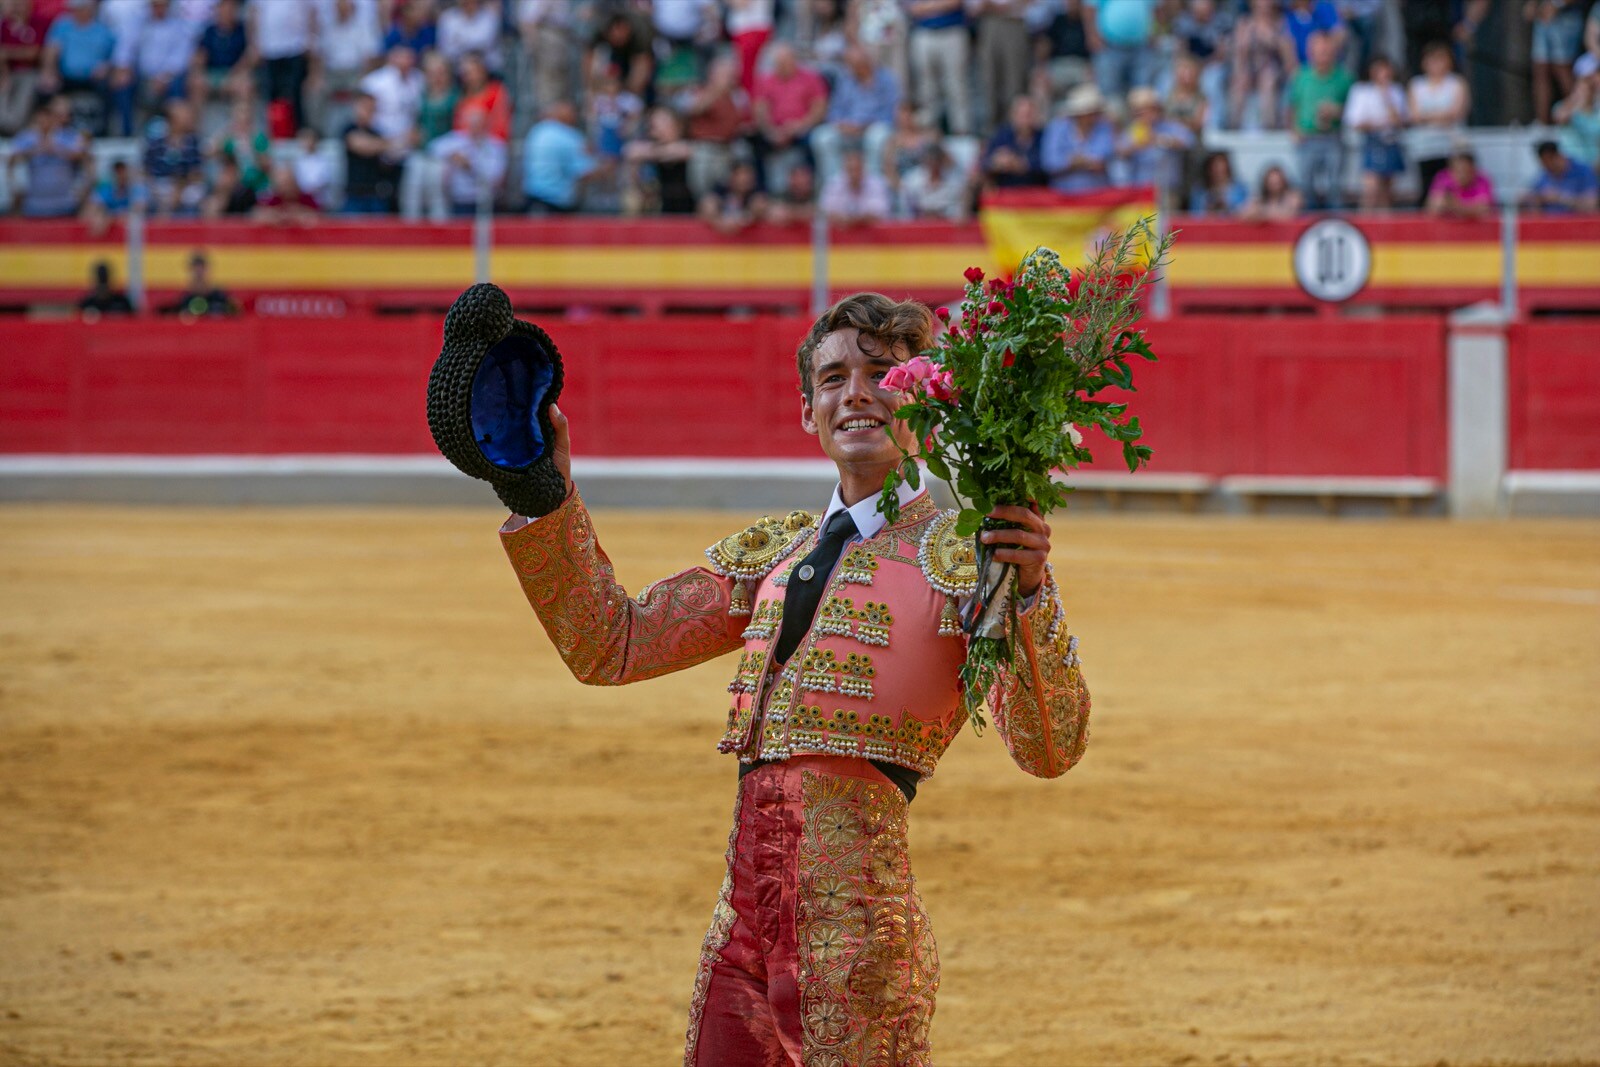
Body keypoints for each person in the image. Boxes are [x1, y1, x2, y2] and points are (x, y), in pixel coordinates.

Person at [496, 293, 1089, 1063]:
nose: (857, 393)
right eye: (834, 377)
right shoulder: (774, 553)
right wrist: (542, 495)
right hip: (742, 916)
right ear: (807, 410)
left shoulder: (968, 556)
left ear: (929, 404)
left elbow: (1050, 746)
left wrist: (1031, 594)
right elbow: (612, 642)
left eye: (883, 373)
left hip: (858, 928)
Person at [811, 44, 899, 188]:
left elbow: (891, 113)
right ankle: (835, 188)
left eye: (859, 64)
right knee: (822, 137)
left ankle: (873, 188)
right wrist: (842, 124)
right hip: (848, 130)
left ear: (868, 61)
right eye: (852, 65)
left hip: (873, 128)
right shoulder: (845, 80)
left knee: (876, 138)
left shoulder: (887, 80)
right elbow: (834, 110)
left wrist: (865, 125)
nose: (855, 69)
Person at [749, 42, 828, 194]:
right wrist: (771, 131)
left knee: (815, 141)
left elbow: (819, 108)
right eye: (778, 63)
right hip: (774, 130)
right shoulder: (766, 80)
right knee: (754, 145)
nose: (781, 66)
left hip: (803, 129)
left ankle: (812, 190)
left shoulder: (811, 78)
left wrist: (800, 126)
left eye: (785, 62)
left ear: (794, 60)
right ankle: (762, 192)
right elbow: (760, 109)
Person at [109, 0, 196, 137]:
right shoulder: (138, 23)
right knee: (122, 84)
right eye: (155, 5)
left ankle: (178, 134)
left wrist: (163, 77)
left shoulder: (179, 26)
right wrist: (123, 68)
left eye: (162, 5)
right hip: (142, 76)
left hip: (169, 77)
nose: (158, 9)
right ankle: (127, 133)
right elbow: (125, 48)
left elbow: (181, 58)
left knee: (180, 86)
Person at [1287, 31, 1352, 210]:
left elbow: (1354, 111)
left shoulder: (1345, 78)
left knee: (1335, 186)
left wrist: (1338, 111)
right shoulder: (1301, 77)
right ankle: (1309, 223)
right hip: (1307, 137)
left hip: (1332, 136)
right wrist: (1294, 129)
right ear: (1310, 51)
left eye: (1326, 49)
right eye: (1319, 49)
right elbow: (1292, 106)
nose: (1323, 53)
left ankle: (1337, 222)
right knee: (1305, 184)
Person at [1407, 40, 1469, 208]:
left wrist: (1427, 117)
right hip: (1425, 147)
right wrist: (1442, 116)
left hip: (1449, 145)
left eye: (1441, 59)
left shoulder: (1457, 83)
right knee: (1426, 188)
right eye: (1432, 60)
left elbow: (1456, 113)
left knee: (1451, 187)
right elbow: (1414, 116)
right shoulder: (1417, 84)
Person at [38, 0, 117, 132]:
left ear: (88, 9)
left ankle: (103, 131)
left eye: (80, 9)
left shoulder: (102, 29)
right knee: (44, 89)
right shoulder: (62, 25)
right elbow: (51, 50)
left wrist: (106, 67)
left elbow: (114, 56)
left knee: (112, 88)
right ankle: (46, 129)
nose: (75, 12)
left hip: (93, 78)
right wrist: (49, 72)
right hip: (65, 76)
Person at [6, 95, 88, 217]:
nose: (44, 122)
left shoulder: (70, 136)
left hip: (65, 204)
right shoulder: (27, 138)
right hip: (34, 206)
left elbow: (83, 156)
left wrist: (57, 150)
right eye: (41, 119)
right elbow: (11, 160)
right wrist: (34, 151)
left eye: (48, 118)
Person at [1343, 55, 1407, 211]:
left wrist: (1386, 97)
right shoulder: (1361, 91)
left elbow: (1400, 121)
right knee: (1370, 189)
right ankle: (1365, 223)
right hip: (1371, 141)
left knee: (1387, 191)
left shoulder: (1396, 91)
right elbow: (1355, 121)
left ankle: (1387, 229)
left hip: (1391, 140)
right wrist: (1379, 124)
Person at [1117, 85, 1193, 207]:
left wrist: (1160, 139)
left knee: (1166, 225)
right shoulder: (1133, 130)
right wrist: (1136, 146)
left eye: (1146, 109)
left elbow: (1187, 141)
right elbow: (1120, 151)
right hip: (1140, 192)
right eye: (1138, 111)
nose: (1142, 114)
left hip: (1167, 190)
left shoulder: (1171, 126)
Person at [904, 0, 969, 135]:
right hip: (923, 32)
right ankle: (929, 132)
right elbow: (912, 8)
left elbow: (955, 3)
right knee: (926, 87)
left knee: (956, 86)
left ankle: (961, 132)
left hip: (952, 31)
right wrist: (938, 6)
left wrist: (928, 7)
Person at [248, 0, 315, 133]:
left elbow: (311, 11)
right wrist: (254, 44)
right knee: (270, 93)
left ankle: (299, 130)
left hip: (295, 47)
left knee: (295, 92)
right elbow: (254, 14)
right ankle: (274, 131)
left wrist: (311, 40)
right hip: (269, 49)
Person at [1230, 0, 1297, 130]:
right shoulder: (1244, 23)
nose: (1264, 5)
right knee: (1240, 81)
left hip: (1273, 68)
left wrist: (1272, 39)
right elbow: (1239, 54)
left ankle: (1269, 125)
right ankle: (1234, 124)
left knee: (1268, 78)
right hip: (1249, 67)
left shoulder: (1281, 23)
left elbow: (1288, 54)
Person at [522, 99, 596, 214]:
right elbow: (585, 172)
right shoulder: (570, 136)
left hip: (531, 199)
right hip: (558, 204)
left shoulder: (536, 130)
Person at [1040, 82, 1115, 193]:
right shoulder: (1057, 128)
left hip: (1098, 197)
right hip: (1063, 198)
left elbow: (1102, 160)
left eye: (1095, 112)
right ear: (1079, 114)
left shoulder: (1103, 128)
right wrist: (1072, 163)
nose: (1094, 116)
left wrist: (1076, 162)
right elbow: (1050, 162)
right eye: (1090, 112)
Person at [624, 104, 696, 215]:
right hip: (658, 202)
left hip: (686, 205)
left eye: (663, 121)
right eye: (654, 122)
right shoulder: (650, 145)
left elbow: (684, 151)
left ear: (678, 125)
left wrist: (655, 152)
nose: (657, 126)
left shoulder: (686, 145)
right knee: (632, 197)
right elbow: (631, 152)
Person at [971, 0, 1030, 136]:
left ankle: (1015, 131)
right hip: (988, 22)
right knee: (989, 81)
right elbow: (974, 7)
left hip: (1015, 21)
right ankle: (991, 134)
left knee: (1014, 83)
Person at [1083, 0, 1156, 103]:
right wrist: (1092, 35)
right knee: (1110, 93)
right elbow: (1090, 9)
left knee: (1142, 93)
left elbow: (1156, 9)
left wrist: (1155, 32)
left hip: (1141, 46)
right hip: (1109, 47)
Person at [144, 98, 206, 217]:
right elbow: (146, 171)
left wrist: (178, 189)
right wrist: (155, 190)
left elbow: (196, 174)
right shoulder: (156, 144)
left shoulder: (193, 143)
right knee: (142, 194)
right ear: (172, 119)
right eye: (183, 115)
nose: (188, 118)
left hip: (185, 186)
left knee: (195, 194)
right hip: (159, 186)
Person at [1526, 0, 1585, 124]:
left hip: (1567, 17)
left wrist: (1557, 4)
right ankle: (1542, 123)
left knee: (1562, 69)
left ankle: (1578, 121)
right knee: (1540, 69)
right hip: (1543, 17)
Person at [342, 90, 400, 213]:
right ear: (356, 106)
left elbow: (388, 158)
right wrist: (388, 144)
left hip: (376, 195)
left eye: (372, 108)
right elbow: (360, 145)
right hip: (355, 195)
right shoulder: (348, 129)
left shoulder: (378, 133)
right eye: (365, 107)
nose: (369, 111)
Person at [189, 0, 250, 112]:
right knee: (195, 82)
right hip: (212, 73)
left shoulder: (241, 31)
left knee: (244, 85)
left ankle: (241, 126)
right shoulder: (210, 31)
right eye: (223, 8)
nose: (227, 12)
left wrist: (233, 74)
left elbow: (248, 55)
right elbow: (201, 54)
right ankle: (195, 125)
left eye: (230, 8)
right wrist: (198, 69)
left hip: (234, 74)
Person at [0, 0, 51, 135]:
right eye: (16, 4)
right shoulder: (5, 24)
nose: (19, 8)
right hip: (7, 71)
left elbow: (34, 53)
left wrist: (8, 52)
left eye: (22, 4)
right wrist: (5, 74)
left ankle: (15, 130)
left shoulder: (38, 23)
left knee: (23, 101)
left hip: (30, 72)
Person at [982, 92, 1046, 189]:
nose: (1025, 119)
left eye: (1029, 114)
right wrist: (996, 162)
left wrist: (1020, 164)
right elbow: (985, 162)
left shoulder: (1044, 136)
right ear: (1013, 115)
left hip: (1037, 193)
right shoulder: (1002, 135)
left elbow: (1049, 164)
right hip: (1006, 193)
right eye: (1022, 114)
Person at [820, 144, 892, 224]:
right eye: (850, 169)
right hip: (841, 233)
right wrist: (854, 220)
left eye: (857, 169)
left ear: (864, 167)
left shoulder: (877, 184)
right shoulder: (833, 184)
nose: (854, 174)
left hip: (872, 234)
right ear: (844, 168)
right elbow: (826, 212)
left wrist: (852, 220)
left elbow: (879, 213)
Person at [1524, 139, 1600, 213]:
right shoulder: (1543, 176)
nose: (1547, 166)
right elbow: (1532, 198)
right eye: (1544, 163)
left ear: (1558, 156)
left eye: (1548, 161)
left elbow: (1591, 205)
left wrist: (1560, 198)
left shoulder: (1583, 171)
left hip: (1578, 223)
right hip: (1550, 223)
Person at [898, 140, 969, 219]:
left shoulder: (954, 181)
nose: (933, 164)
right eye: (929, 160)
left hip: (946, 224)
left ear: (941, 161)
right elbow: (906, 211)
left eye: (936, 160)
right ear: (924, 161)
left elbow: (958, 211)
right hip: (918, 224)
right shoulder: (911, 180)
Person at [1553, 53, 1600, 168]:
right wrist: (1576, 101)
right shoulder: (1563, 107)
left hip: (1593, 168)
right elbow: (1561, 118)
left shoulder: (1597, 112)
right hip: (1569, 167)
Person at [1425, 147, 1494, 218]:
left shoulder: (1482, 180)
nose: (1462, 176)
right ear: (1450, 170)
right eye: (1458, 171)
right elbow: (1432, 208)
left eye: (1466, 171)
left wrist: (1455, 206)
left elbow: (1484, 208)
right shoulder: (1442, 178)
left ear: (1473, 169)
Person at [164, 251, 237, 317]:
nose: (199, 274)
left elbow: (237, 314)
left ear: (208, 272)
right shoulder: (184, 300)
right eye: (195, 270)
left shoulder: (220, 298)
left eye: (202, 270)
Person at [437, 0, 501, 73]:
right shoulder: (447, 18)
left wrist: (460, 43)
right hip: (456, 69)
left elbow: (485, 45)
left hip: (487, 69)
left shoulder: (490, 17)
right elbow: (445, 50)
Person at [251, 161, 320, 225]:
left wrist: (301, 214)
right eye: (283, 184)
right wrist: (274, 215)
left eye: (289, 183)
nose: (287, 188)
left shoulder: (307, 199)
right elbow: (256, 215)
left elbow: (320, 217)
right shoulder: (273, 199)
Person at [1190, 149, 1248, 215]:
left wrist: (1227, 206)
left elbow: (1244, 212)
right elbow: (1193, 215)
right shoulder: (1199, 191)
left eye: (1221, 168)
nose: (1218, 171)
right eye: (1214, 167)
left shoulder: (1240, 189)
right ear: (1208, 170)